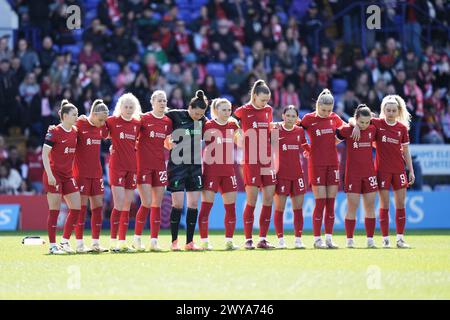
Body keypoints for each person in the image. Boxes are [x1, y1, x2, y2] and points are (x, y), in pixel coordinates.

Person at [351, 95, 415, 248]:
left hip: (399, 170)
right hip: (382, 171)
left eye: (394, 110)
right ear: (383, 110)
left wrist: (410, 171)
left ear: (398, 111)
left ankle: (400, 239)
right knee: (384, 205)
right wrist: (354, 125)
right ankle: (385, 239)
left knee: (400, 205)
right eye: (388, 110)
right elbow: (356, 118)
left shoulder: (402, 128)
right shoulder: (377, 123)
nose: (391, 113)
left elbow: (406, 151)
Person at [232, 80, 277, 249]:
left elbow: (269, 130)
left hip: (267, 160)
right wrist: (237, 135)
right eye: (262, 100)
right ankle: (248, 239)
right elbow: (229, 123)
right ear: (255, 96)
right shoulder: (242, 111)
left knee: (268, 199)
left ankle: (263, 239)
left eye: (267, 100)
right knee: (251, 200)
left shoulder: (268, 110)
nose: (265, 103)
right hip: (251, 161)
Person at [300, 89, 346, 249]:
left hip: (333, 164)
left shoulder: (335, 118)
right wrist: (307, 147)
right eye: (323, 110)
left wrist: (335, 141)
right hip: (316, 164)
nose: (326, 113)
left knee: (330, 204)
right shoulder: (308, 119)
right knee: (320, 203)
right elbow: (295, 131)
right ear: (317, 105)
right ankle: (317, 239)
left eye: (329, 110)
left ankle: (328, 239)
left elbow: (346, 130)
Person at [165, 90, 208, 251]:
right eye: (196, 113)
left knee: (193, 204)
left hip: (195, 167)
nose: (198, 116)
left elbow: (219, 125)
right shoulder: (175, 115)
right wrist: (166, 139)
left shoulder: (203, 120)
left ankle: (190, 242)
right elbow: (157, 118)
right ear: (189, 107)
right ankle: (174, 242)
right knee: (177, 204)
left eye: (201, 114)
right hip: (177, 167)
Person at [133, 90, 172, 252]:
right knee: (146, 203)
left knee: (157, 203)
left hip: (159, 166)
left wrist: (171, 144)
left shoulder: (167, 121)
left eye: (164, 100)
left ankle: (154, 241)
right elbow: (131, 136)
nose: (163, 103)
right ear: (153, 102)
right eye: (160, 100)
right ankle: (137, 238)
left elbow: (166, 143)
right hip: (143, 166)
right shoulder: (143, 119)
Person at [198, 98, 240, 251]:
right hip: (211, 172)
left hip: (228, 172)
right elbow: (198, 143)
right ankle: (204, 241)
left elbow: (241, 142)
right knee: (206, 208)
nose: (227, 113)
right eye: (224, 110)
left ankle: (229, 241)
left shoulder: (233, 125)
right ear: (216, 110)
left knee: (231, 208)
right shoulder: (208, 125)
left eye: (229, 110)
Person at [336, 105, 378, 248]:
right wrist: (353, 125)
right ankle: (349, 240)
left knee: (370, 206)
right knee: (352, 206)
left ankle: (370, 240)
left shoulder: (373, 129)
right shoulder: (348, 130)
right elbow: (334, 141)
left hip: (369, 173)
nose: (364, 125)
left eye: (367, 122)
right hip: (352, 174)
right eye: (361, 122)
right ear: (356, 119)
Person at [42, 99, 81, 254]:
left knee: (76, 208)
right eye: (74, 114)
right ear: (64, 116)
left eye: (77, 114)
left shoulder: (75, 132)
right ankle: (52, 246)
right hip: (54, 175)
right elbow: (45, 155)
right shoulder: (54, 132)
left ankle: (64, 242)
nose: (76, 117)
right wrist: (50, 175)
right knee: (54, 211)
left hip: (68, 176)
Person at [106, 93, 142, 253]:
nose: (128, 110)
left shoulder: (137, 123)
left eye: (131, 107)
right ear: (120, 107)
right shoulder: (112, 121)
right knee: (119, 204)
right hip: (117, 167)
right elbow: (98, 129)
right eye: (126, 107)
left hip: (132, 168)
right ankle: (113, 242)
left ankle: (122, 242)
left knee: (127, 205)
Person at [73, 99, 109, 253]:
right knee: (81, 209)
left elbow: (114, 133)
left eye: (104, 120)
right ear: (93, 114)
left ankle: (95, 243)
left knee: (97, 208)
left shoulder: (102, 127)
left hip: (97, 173)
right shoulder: (80, 124)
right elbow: (65, 127)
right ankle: (80, 244)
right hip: (81, 174)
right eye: (100, 119)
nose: (102, 123)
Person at [272, 105, 309, 249]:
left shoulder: (299, 131)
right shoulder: (276, 130)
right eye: (288, 116)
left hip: (297, 175)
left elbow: (305, 146)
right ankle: (280, 240)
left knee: (298, 209)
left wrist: (311, 152)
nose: (290, 119)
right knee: (279, 209)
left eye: (294, 116)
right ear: (283, 116)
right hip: (281, 175)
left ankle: (298, 240)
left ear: (297, 118)